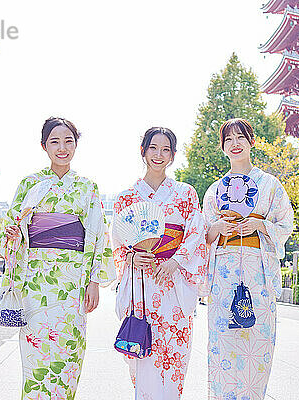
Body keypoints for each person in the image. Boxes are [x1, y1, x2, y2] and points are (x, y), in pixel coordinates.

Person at [1, 117, 116, 399]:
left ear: (76, 145)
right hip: (36, 279)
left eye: (68, 141)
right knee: (36, 352)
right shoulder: (30, 184)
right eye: (55, 141)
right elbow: (12, 230)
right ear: (44, 146)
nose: (62, 148)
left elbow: (98, 234)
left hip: (72, 281)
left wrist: (93, 281)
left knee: (69, 351)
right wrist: (14, 233)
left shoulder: (87, 187)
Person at [111, 127, 208, 399]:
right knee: (141, 352)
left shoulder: (185, 194)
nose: (159, 155)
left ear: (173, 155)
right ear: (143, 151)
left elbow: (196, 232)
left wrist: (176, 261)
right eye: (153, 148)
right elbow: (117, 242)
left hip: (174, 282)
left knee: (175, 355)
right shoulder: (127, 197)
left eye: (166, 150)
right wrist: (132, 256)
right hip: (141, 282)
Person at [203, 118, 294, 400]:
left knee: (258, 344)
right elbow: (201, 234)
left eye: (241, 137)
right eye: (228, 139)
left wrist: (260, 225)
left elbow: (285, 224)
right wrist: (216, 229)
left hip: (258, 272)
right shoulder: (214, 190)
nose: (235, 143)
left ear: (252, 141)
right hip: (224, 274)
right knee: (223, 343)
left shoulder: (270, 185)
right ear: (222, 147)